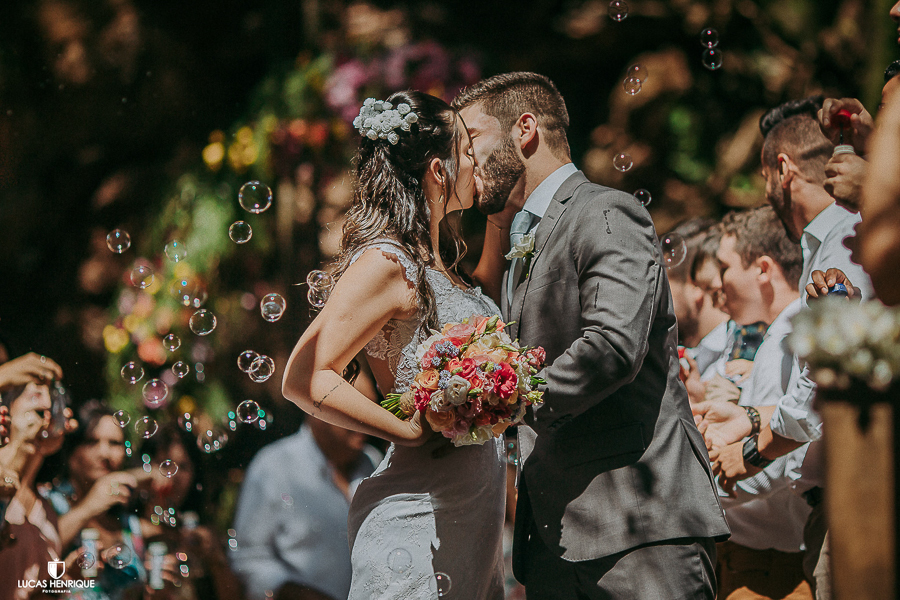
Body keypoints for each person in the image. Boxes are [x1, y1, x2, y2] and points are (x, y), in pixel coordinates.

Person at [454, 71, 730, 599]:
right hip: (559, 540)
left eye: (472, 140)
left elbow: (612, 347)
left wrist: (506, 399)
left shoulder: (606, 211)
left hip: (638, 528)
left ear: (524, 129)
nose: (465, 159)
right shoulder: (524, 237)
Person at [282, 91, 506, 598]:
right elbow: (303, 378)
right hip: (416, 523)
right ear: (438, 169)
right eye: (467, 150)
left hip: (469, 530)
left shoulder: (441, 264)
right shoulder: (389, 263)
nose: (477, 160)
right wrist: (403, 430)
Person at [699, 96, 876, 600]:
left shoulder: (847, 239)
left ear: (782, 169)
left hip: (850, 504)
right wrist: (752, 419)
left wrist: (753, 449)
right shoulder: (830, 241)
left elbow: (828, 381)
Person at [692, 207, 813, 599]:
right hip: (754, 553)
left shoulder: (788, 336)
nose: (719, 285)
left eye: (725, 268)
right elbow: (765, 420)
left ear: (763, 269)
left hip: (770, 563)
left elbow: (785, 459)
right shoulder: (778, 332)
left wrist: (687, 487)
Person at [233, 367, 382, 600]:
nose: (367, 421)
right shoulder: (274, 466)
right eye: (355, 410)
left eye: (372, 409)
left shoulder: (374, 462)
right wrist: (292, 592)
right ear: (317, 409)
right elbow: (249, 558)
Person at [139, 423, 244, 600]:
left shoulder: (202, 536)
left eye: (184, 467)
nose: (175, 476)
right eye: (167, 465)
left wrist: (215, 560)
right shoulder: (129, 530)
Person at [0, 381, 76, 600]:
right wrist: (19, 444)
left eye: (53, 402)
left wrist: (58, 583)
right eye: (35, 396)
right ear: (6, 410)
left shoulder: (45, 508)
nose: (49, 406)